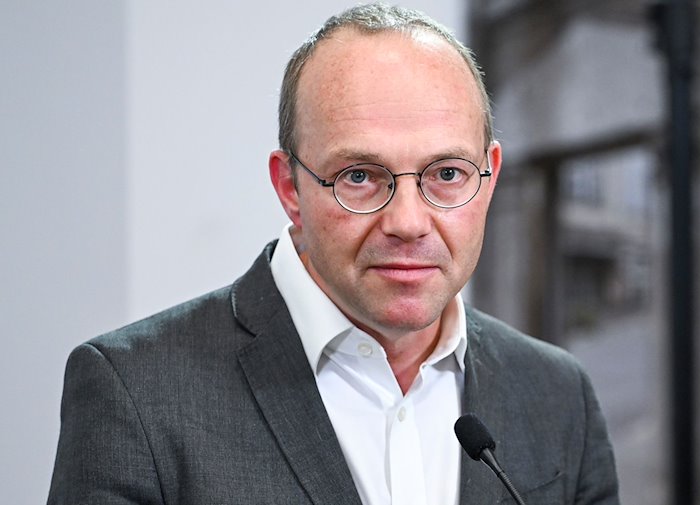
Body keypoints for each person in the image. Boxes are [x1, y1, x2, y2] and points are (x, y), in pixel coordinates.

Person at [47, 3, 618, 504]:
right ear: (290, 188)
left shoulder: (557, 393)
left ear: (489, 179)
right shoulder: (135, 393)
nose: (408, 223)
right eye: (360, 176)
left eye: (447, 173)